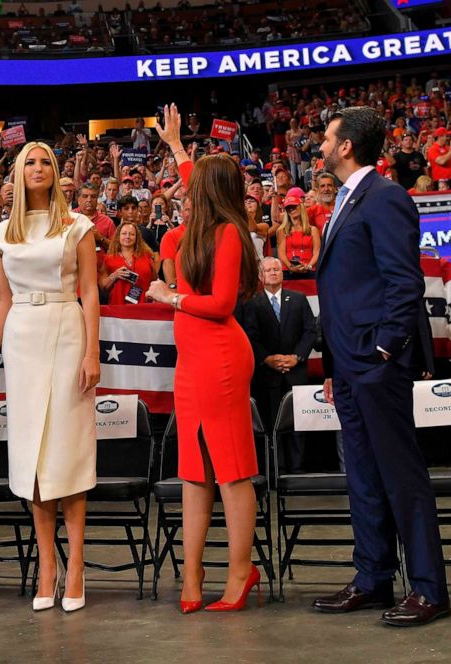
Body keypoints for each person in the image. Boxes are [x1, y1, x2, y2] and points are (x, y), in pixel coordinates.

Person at [313, 106, 449, 626]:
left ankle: (429, 589)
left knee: (401, 476)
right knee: (364, 477)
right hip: (347, 367)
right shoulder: (346, 202)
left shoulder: (386, 197)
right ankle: (372, 579)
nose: (321, 145)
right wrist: (335, 364)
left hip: (375, 365)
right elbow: (343, 291)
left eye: (327, 138)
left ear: (346, 146)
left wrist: (384, 351)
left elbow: (403, 282)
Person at [147, 101, 262, 615]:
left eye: (196, 187)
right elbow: (195, 174)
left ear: (210, 194)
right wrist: (174, 146)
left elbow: (219, 305)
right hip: (190, 363)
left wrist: (168, 298)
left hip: (220, 355)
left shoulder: (230, 233)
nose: (187, 191)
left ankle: (240, 573)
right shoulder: (199, 230)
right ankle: (192, 575)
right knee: (194, 470)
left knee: (232, 468)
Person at [0, 141, 100, 613]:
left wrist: (93, 352)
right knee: (32, 457)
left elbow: (91, 292)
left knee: (66, 454)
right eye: (29, 162)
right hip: (22, 340)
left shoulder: (77, 225)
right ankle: (46, 567)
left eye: (45, 163)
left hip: (67, 330)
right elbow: (2, 300)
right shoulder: (2, 232)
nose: (37, 168)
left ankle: (74, 565)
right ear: (17, 173)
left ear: (56, 173)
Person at [242, 257, 317, 473]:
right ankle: (275, 469)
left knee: (297, 424)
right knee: (270, 422)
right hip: (267, 375)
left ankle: (297, 470)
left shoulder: (299, 299)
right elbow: (249, 337)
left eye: (276, 269)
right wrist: (267, 359)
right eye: (268, 270)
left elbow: (310, 331)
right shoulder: (252, 303)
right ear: (260, 276)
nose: (273, 272)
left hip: (295, 372)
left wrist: (297, 357)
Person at [99, 222, 157, 305]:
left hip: (144, 307)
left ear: (137, 238)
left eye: (132, 234)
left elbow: (154, 281)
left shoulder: (147, 257)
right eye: (124, 233)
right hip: (118, 308)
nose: (127, 237)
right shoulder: (109, 259)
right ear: (118, 236)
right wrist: (114, 275)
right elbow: (102, 287)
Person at [276, 194, 320, 279]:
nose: (291, 210)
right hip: (288, 272)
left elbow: (316, 252)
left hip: (309, 271)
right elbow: (281, 254)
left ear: (301, 207)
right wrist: (291, 267)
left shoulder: (313, 230)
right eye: (288, 208)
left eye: (294, 206)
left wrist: (309, 266)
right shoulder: (282, 230)